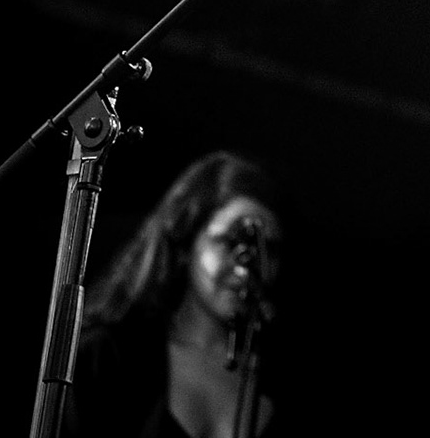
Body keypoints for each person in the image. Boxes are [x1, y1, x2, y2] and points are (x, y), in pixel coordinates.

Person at [63, 150, 291, 438]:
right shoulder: (109, 357)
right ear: (187, 241)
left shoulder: (281, 378)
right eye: (232, 240)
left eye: (269, 247)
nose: (248, 268)